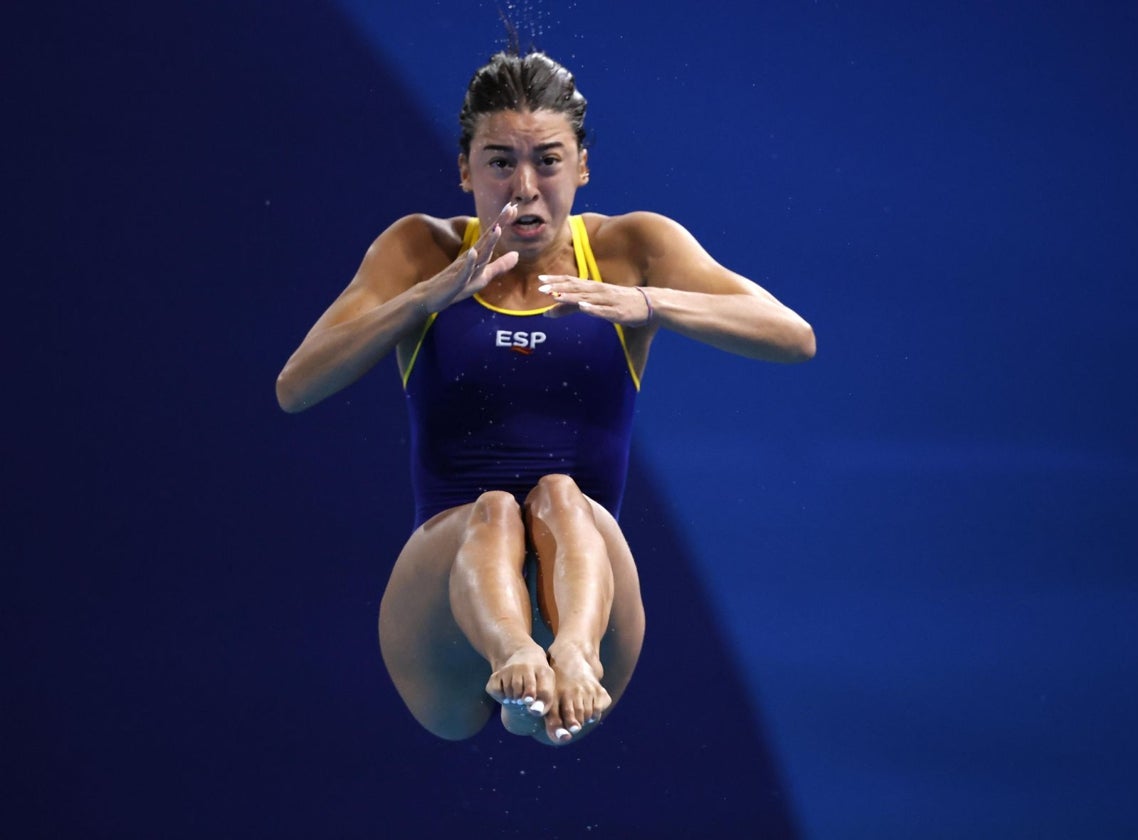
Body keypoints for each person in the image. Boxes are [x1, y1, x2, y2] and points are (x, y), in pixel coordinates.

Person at [275, 51, 815, 747]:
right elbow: (296, 386)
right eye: (500, 162)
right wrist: (421, 300)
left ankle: (571, 653)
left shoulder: (629, 249)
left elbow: (792, 336)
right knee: (494, 511)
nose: (524, 189)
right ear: (464, 169)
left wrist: (651, 302)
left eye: (548, 161)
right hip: (444, 600)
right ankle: (515, 655)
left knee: (560, 495)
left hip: (585, 585)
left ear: (582, 166)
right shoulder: (423, 249)